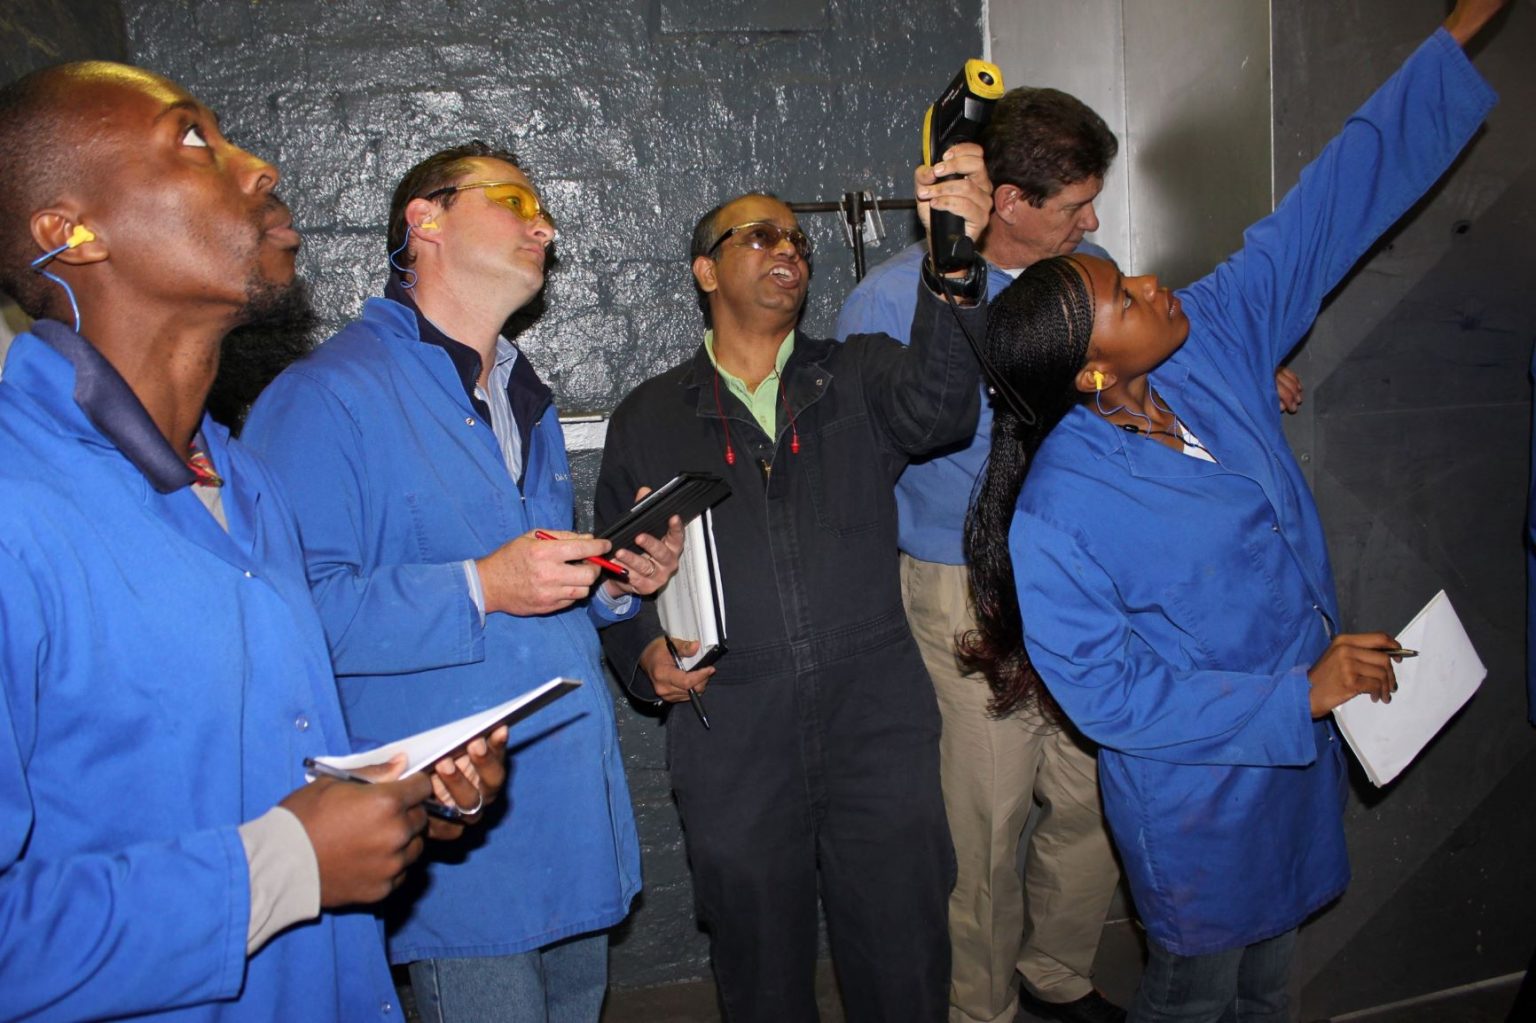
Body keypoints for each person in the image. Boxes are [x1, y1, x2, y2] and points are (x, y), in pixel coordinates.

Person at [961, 2, 1503, 1020]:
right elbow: (1113, 703)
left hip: (1289, 766)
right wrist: (1293, 698)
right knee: (1200, 987)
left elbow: (1326, 209)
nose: (1155, 284)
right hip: (1199, 793)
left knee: (1270, 978)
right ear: (1089, 373)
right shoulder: (1058, 513)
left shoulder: (1210, 344)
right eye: (1126, 295)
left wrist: (1456, 39)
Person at [0, 62, 505, 1021]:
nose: (260, 166)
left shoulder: (241, 480)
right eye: (193, 139)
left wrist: (397, 792)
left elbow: (257, 771)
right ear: (71, 231)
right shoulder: (15, 502)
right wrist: (283, 865)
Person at [241, 142, 683, 1023]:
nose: (544, 225)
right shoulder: (324, 396)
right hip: (454, 834)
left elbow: (534, 580)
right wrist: (480, 585)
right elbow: (287, 621)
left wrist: (611, 584)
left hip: (565, 809)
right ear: (426, 219)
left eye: (543, 210)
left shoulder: (527, 396)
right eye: (516, 201)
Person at [594, 144, 992, 1021]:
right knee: (761, 972)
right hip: (732, 729)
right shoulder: (651, 416)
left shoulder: (854, 371)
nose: (790, 250)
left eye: (799, 242)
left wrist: (951, 265)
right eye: (760, 234)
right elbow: (610, 577)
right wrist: (642, 651)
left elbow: (943, 406)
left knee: (903, 963)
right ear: (705, 270)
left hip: (875, 721)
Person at [836, 86, 1125, 1023]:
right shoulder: (886, 301)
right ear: (1007, 202)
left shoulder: (1090, 275)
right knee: (988, 818)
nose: (1094, 220)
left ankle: (1058, 972)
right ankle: (981, 1007)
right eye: (1074, 203)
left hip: (1081, 570)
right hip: (962, 584)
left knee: (1091, 792)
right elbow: (858, 468)